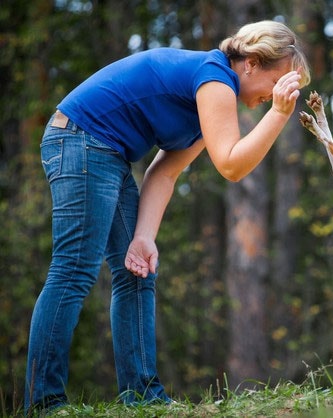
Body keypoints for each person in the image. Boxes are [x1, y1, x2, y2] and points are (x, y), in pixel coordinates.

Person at [24, 20, 311, 412]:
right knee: (74, 270)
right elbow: (230, 166)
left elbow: (165, 171)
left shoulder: (206, 101)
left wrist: (144, 236)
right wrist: (278, 115)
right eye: (281, 82)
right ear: (252, 64)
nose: (279, 94)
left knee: (137, 269)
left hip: (106, 153)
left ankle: (142, 398)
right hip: (80, 138)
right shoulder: (215, 79)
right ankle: (44, 402)